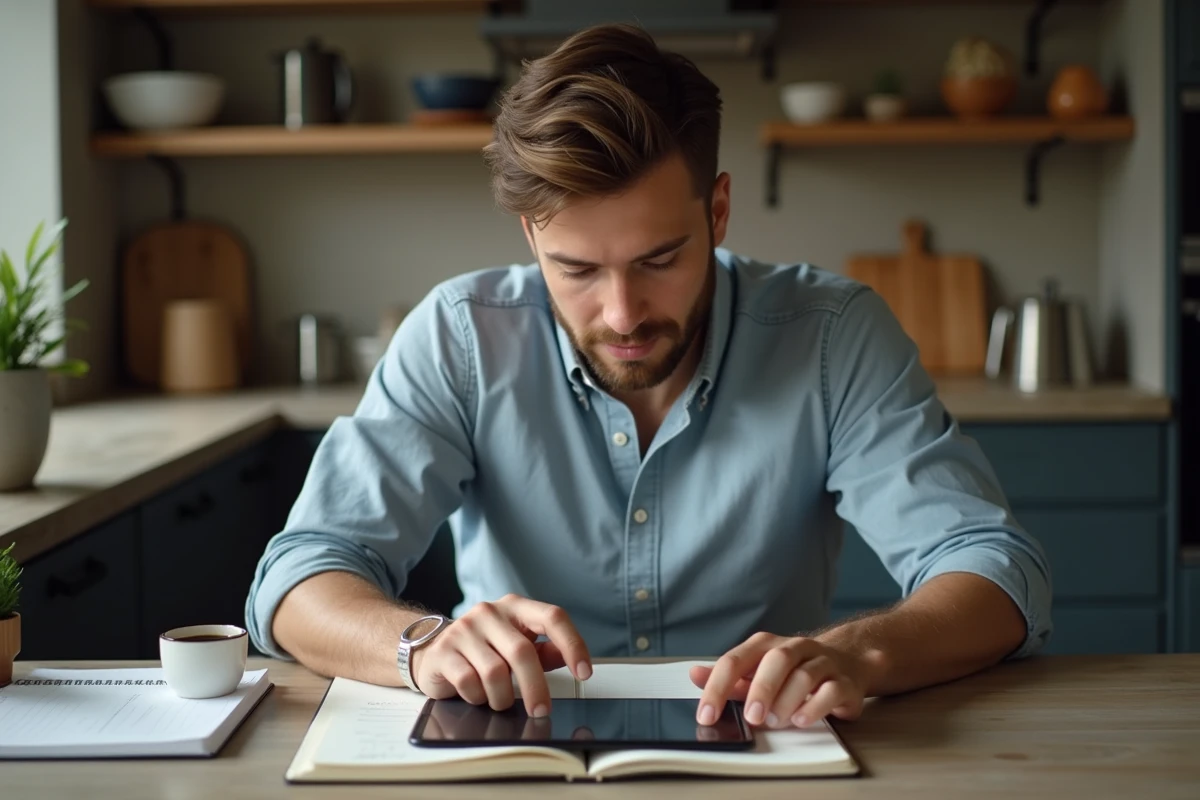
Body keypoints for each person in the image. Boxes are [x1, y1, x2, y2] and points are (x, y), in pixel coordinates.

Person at [246, 23, 1051, 733]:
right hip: (510, 749)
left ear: (719, 212)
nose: (623, 313)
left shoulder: (832, 335)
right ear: (531, 236)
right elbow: (301, 575)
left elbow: (992, 566)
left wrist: (857, 652)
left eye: (659, 260)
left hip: (766, 743)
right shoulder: (460, 335)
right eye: (578, 269)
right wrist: (418, 645)